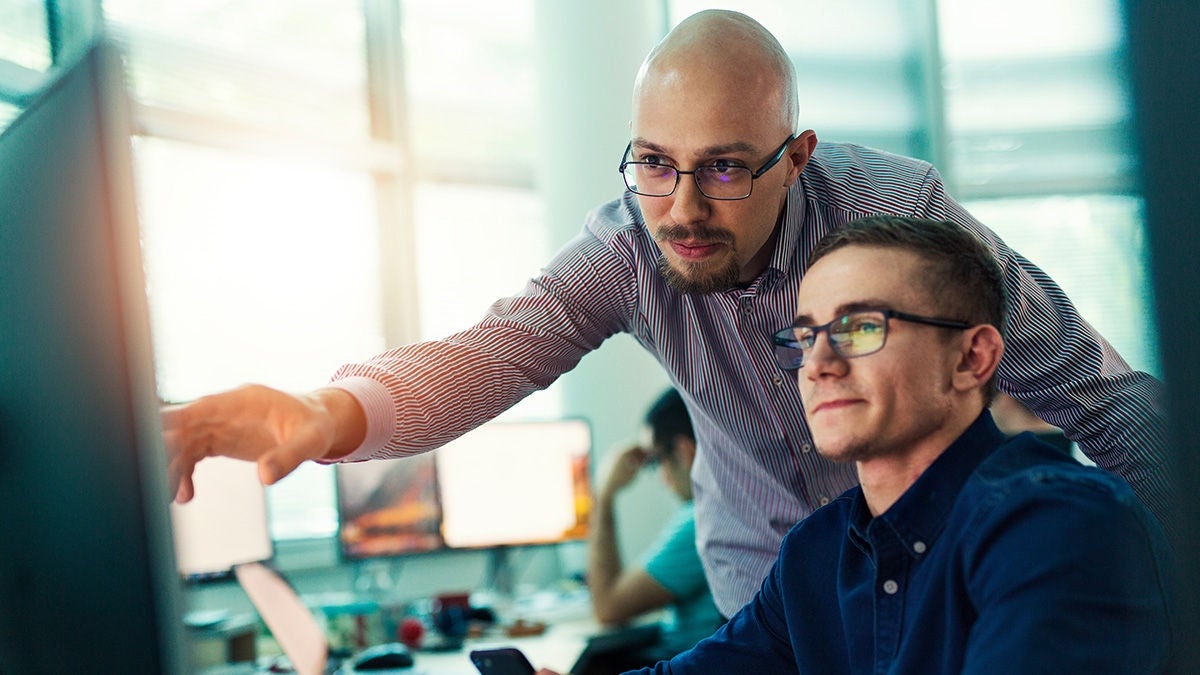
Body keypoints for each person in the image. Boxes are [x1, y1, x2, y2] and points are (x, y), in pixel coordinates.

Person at [164, 9, 1172, 619]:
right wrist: (325, 410)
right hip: (770, 591)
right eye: (655, 164)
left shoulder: (898, 214)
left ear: (799, 155)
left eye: (727, 168)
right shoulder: (627, 248)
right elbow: (494, 352)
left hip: (941, 565)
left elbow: (1082, 382)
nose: (682, 210)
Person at [540, 215, 1179, 674]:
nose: (817, 364)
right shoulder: (817, 553)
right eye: (804, 336)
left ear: (972, 357)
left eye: (861, 327)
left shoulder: (1057, 524)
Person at [583, 388, 721, 672]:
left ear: (684, 450)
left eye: (656, 460)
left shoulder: (702, 519)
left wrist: (604, 494)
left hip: (682, 662)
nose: (661, 479)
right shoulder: (718, 508)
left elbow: (607, 608)